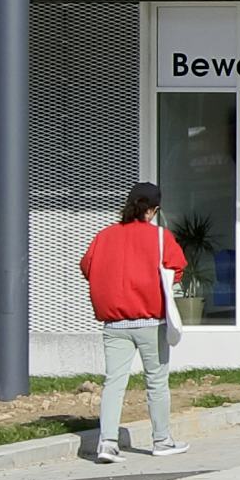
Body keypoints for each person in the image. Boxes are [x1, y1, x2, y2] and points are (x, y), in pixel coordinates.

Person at [82, 180, 193, 460]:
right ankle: (162, 441)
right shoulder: (160, 237)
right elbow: (177, 269)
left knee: (114, 383)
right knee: (156, 382)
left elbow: (87, 266)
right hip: (151, 323)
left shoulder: (104, 236)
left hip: (114, 325)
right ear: (153, 210)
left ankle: (107, 443)